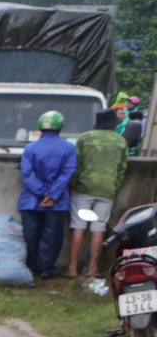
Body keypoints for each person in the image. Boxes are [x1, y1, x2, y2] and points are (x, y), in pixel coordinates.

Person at [67, 106, 127, 279]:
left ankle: (72, 269)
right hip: (107, 190)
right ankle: (93, 269)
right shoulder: (120, 142)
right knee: (98, 228)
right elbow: (121, 169)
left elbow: (76, 166)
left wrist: (73, 185)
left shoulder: (84, 139)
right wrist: (114, 186)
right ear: (113, 125)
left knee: (78, 226)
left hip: (83, 188)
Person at [19, 109, 77, 279]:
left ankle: (30, 267)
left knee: (30, 235)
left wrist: (41, 192)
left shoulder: (30, 148)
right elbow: (68, 172)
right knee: (52, 236)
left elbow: (27, 174)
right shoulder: (68, 148)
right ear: (60, 128)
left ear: (40, 128)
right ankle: (46, 269)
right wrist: (52, 195)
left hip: (31, 199)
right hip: (57, 201)